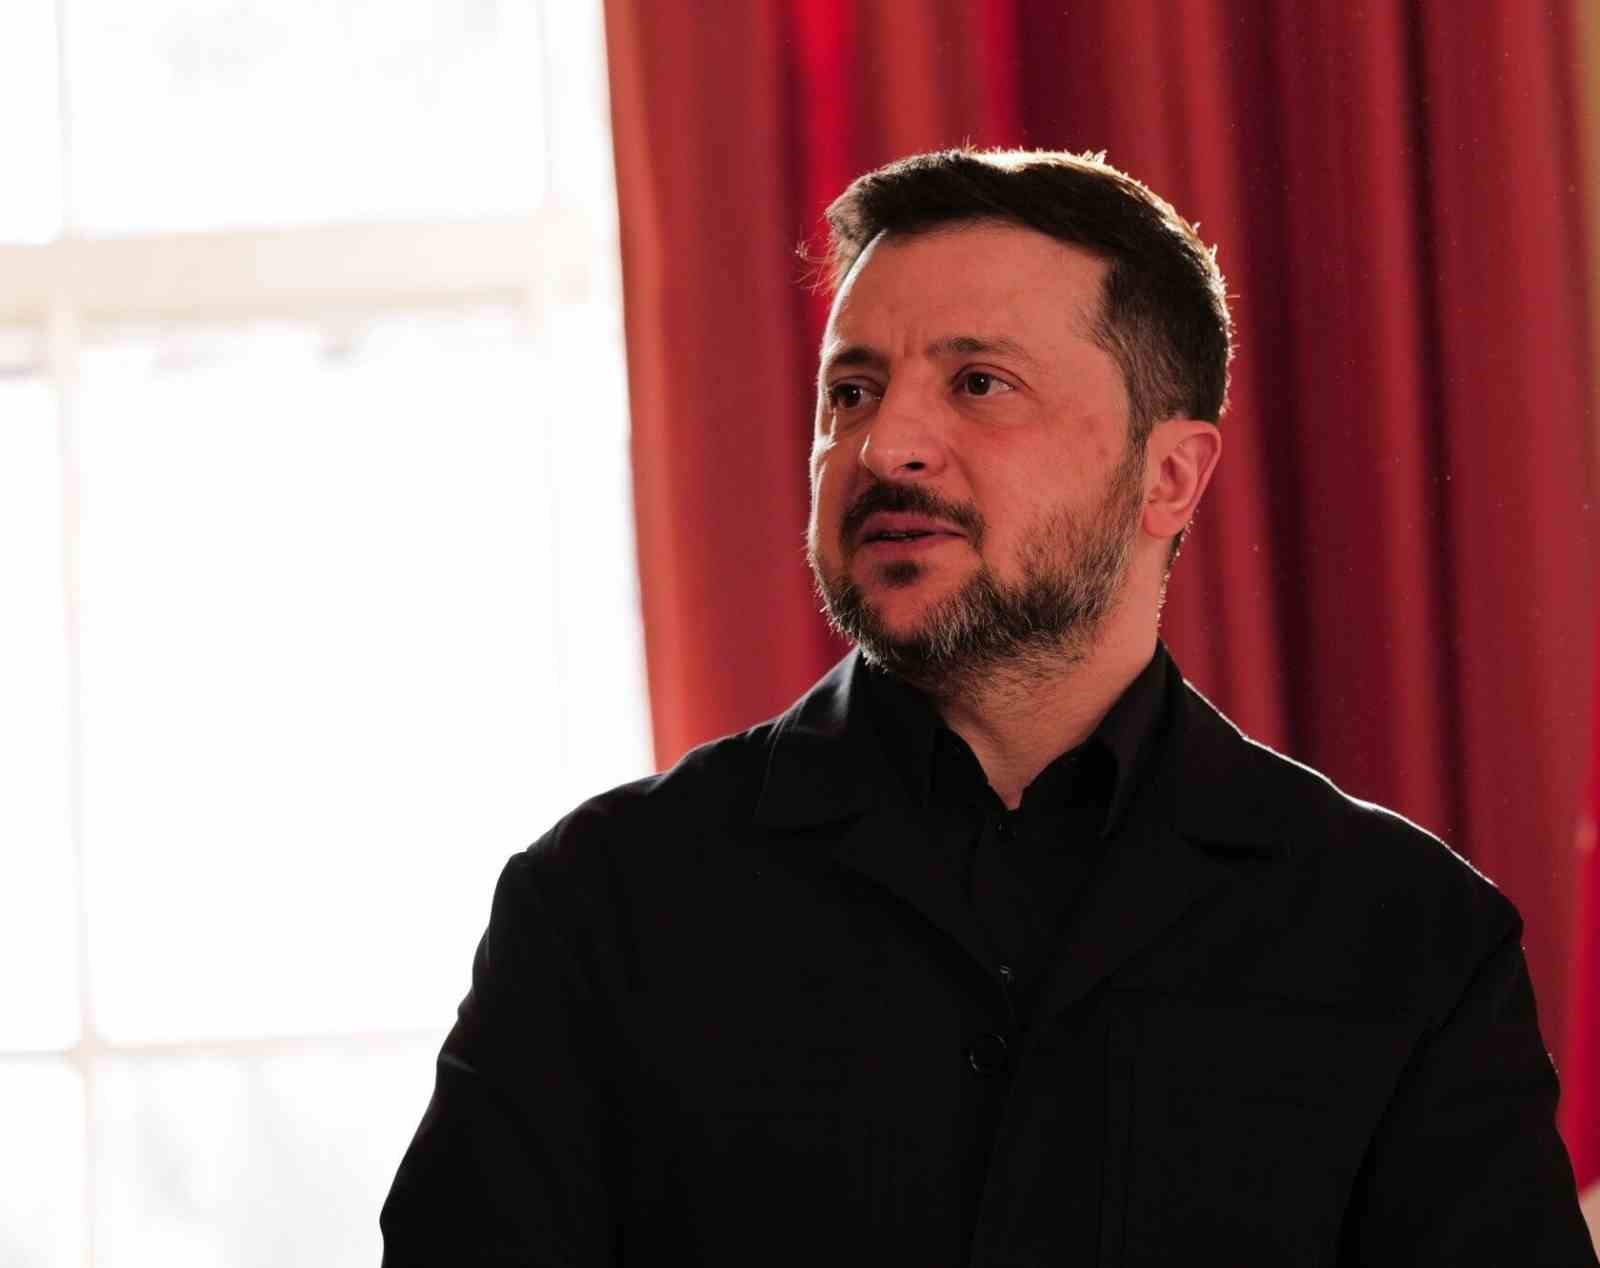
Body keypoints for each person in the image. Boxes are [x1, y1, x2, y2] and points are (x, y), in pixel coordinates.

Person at [380, 148, 1597, 1265]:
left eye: (978, 383)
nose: (885, 447)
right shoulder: (599, 900)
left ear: (1169, 475)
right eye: (851, 391)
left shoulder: (1409, 936)